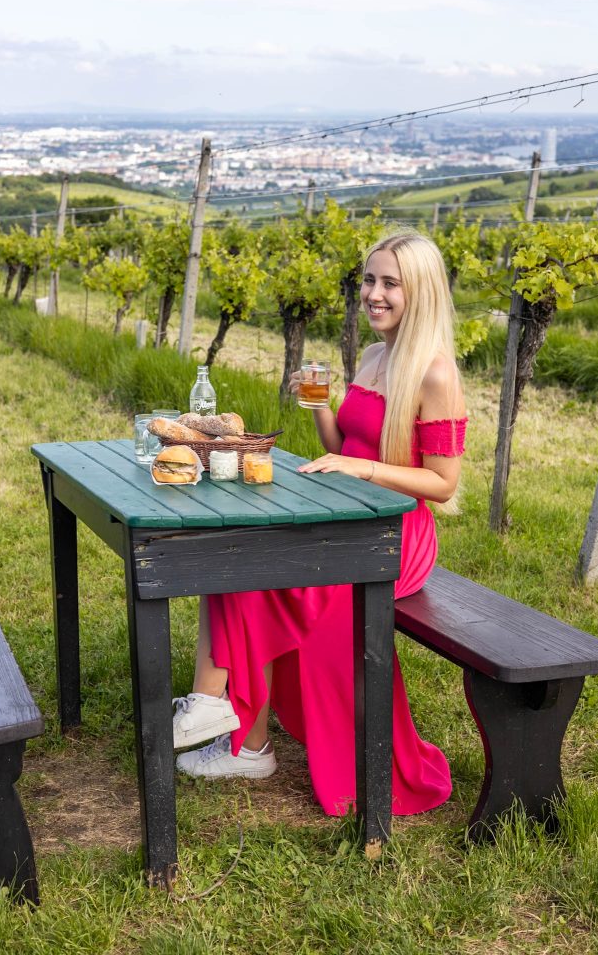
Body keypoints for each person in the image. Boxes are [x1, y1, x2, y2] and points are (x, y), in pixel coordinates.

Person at [172, 231, 467, 816]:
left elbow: (443, 484)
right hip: (349, 513)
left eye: (389, 283)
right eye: (369, 280)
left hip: (397, 535)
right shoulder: (378, 356)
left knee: (271, 578)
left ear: (421, 292)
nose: (373, 294)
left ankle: (238, 731)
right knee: (240, 556)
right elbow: (344, 445)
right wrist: (322, 410)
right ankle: (228, 719)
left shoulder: (435, 373)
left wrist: (362, 467)